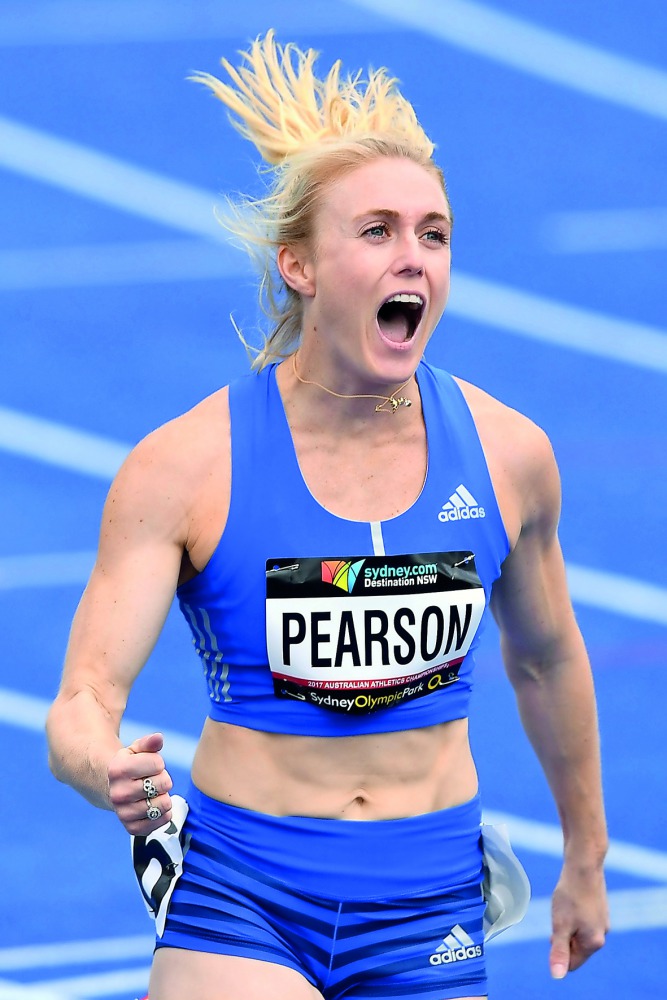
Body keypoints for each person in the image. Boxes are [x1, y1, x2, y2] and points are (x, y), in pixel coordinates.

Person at [46, 31, 609, 1000]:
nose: (414, 259)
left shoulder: (510, 456)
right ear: (298, 266)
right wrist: (105, 764)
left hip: (428, 896)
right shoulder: (187, 466)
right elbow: (82, 699)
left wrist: (588, 858)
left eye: (433, 234)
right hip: (245, 894)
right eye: (378, 231)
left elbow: (545, 656)